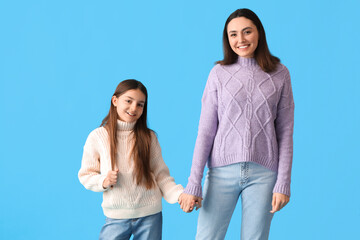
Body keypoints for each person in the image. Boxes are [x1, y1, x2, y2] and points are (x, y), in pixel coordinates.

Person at [178, 8, 295, 240]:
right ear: (227, 39)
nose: (240, 39)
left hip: (264, 174)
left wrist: (283, 183)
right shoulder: (218, 74)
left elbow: (286, 132)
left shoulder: (281, 74)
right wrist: (194, 183)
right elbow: (205, 131)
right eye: (233, 34)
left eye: (247, 32)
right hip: (221, 172)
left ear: (258, 34)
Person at [78, 79, 184, 240]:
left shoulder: (149, 137)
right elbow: (86, 174)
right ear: (115, 100)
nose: (134, 108)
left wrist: (180, 195)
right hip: (116, 215)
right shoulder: (98, 137)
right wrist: (104, 181)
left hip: (150, 215)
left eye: (140, 104)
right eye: (128, 101)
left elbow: (161, 175)